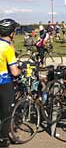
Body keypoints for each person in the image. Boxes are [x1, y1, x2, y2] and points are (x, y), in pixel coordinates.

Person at [0, 19, 21, 147]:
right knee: (6, 113)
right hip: (4, 83)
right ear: (11, 33)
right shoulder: (7, 48)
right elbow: (14, 71)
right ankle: (3, 139)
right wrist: (20, 70)